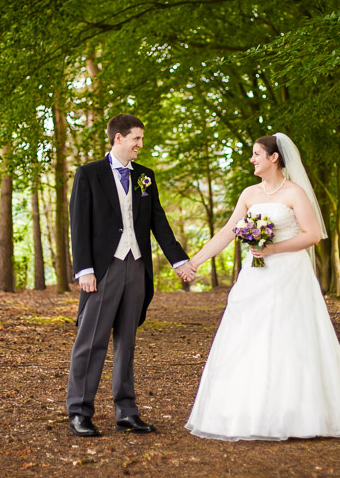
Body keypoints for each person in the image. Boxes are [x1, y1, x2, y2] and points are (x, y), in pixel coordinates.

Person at [183, 133, 340, 441]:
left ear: (273, 158)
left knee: (290, 338)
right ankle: (248, 410)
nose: (252, 159)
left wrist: (273, 249)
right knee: (249, 337)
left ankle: (298, 412)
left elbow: (312, 234)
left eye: (256, 154)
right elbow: (228, 232)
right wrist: (195, 262)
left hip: (289, 275)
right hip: (256, 276)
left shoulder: (295, 193)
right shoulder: (249, 194)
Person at [66, 114, 196, 437]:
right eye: (136, 138)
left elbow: (159, 224)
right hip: (102, 269)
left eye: (141, 138)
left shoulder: (145, 178)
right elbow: (78, 225)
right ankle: (79, 412)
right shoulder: (89, 174)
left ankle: (126, 411)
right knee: (91, 341)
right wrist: (84, 269)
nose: (140, 144)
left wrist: (179, 261)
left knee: (127, 342)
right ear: (118, 139)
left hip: (136, 267)